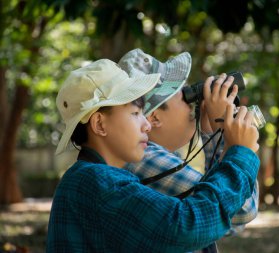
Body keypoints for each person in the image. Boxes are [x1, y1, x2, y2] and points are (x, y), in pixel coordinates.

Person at [47, 58, 260, 253]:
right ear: (99, 124)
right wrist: (240, 153)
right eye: (135, 113)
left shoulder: (96, 178)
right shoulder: (99, 183)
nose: (147, 124)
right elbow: (186, 226)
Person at [119, 49, 260, 252]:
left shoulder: (160, 157)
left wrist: (213, 133)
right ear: (154, 117)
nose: (192, 103)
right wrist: (236, 145)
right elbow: (241, 211)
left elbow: (222, 221)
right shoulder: (143, 159)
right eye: (184, 94)